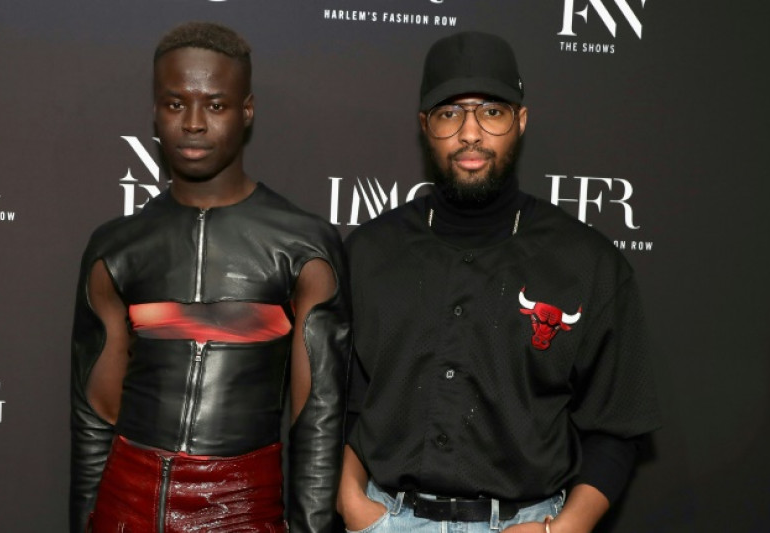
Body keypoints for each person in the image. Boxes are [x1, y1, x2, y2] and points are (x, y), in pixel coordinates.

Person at [336, 31, 660, 533]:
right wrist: (351, 502)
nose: (470, 133)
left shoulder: (586, 262)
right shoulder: (369, 252)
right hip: (386, 519)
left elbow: (616, 424)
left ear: (520, 121)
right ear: (425, 126)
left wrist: (566, 529)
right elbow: (345, 403)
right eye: (449, 113)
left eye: (491, 111)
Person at [69, 22, 349, 533]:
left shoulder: (304, 247)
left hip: (242, 509)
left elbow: (318, 419)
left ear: (247, 111)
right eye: (176, 104)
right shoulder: (116, 249)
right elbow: (95, 414)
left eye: (215, 105)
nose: (193, 123)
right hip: (124, 506)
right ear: (156, 111)